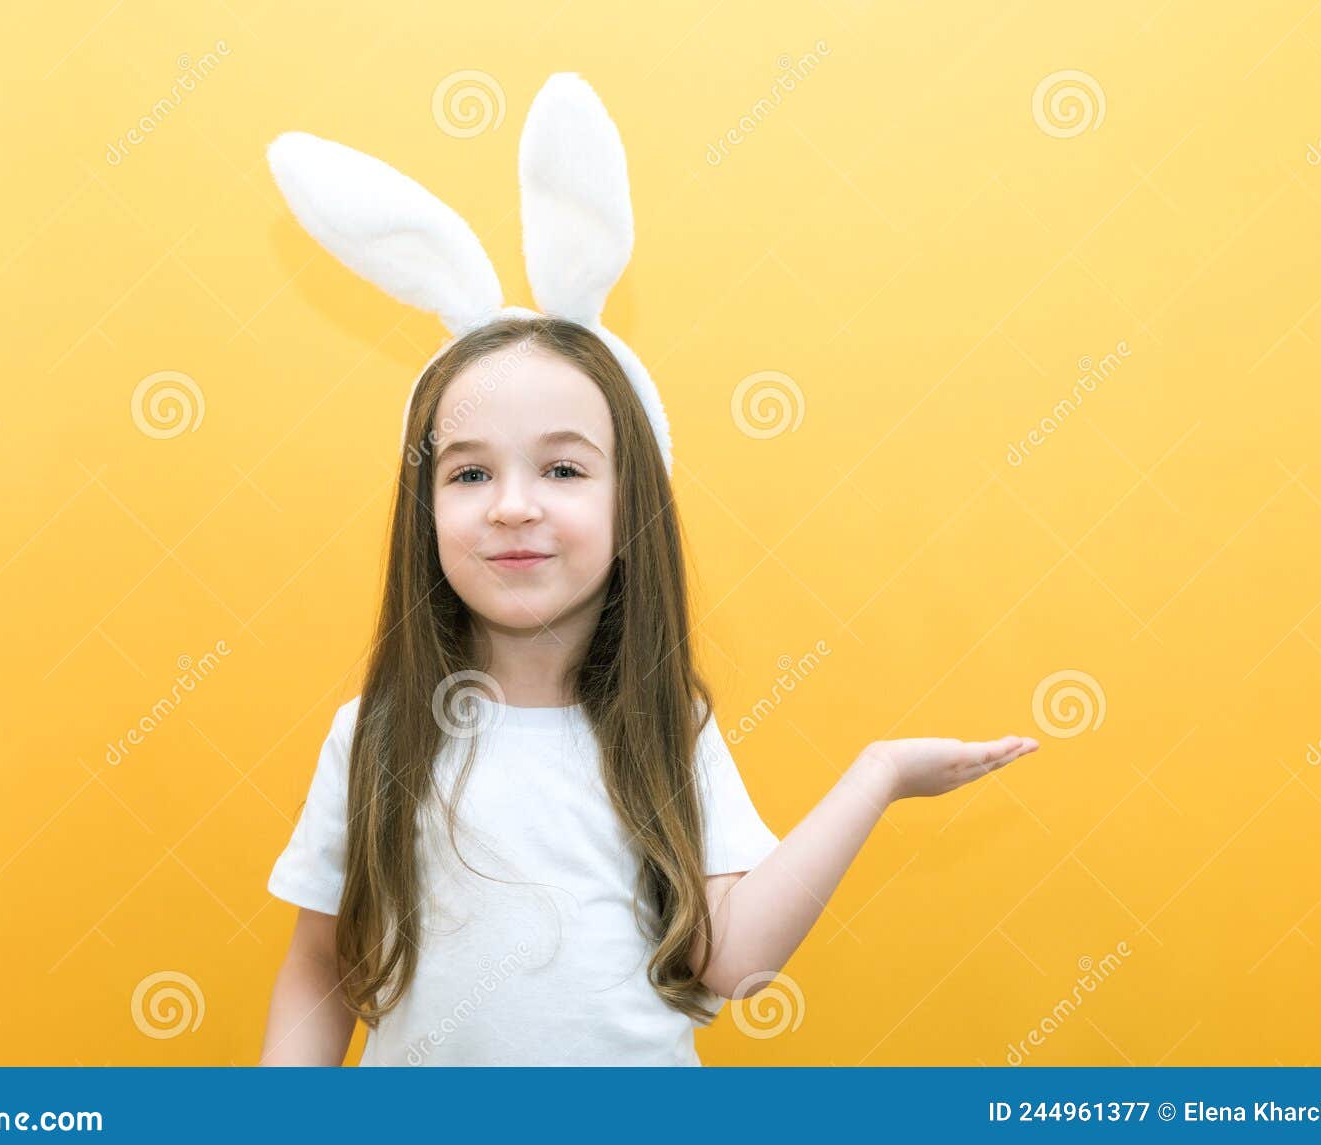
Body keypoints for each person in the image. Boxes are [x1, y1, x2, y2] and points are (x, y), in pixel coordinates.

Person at [256, 75, 1039, 1067]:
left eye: (563, 467)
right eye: (468, 472)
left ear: (632, 508)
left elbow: (732, 958)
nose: (512, 503)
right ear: (425, 510)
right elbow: (321, 960)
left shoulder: (668, 730)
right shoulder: (374, 735)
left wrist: (877, 774)